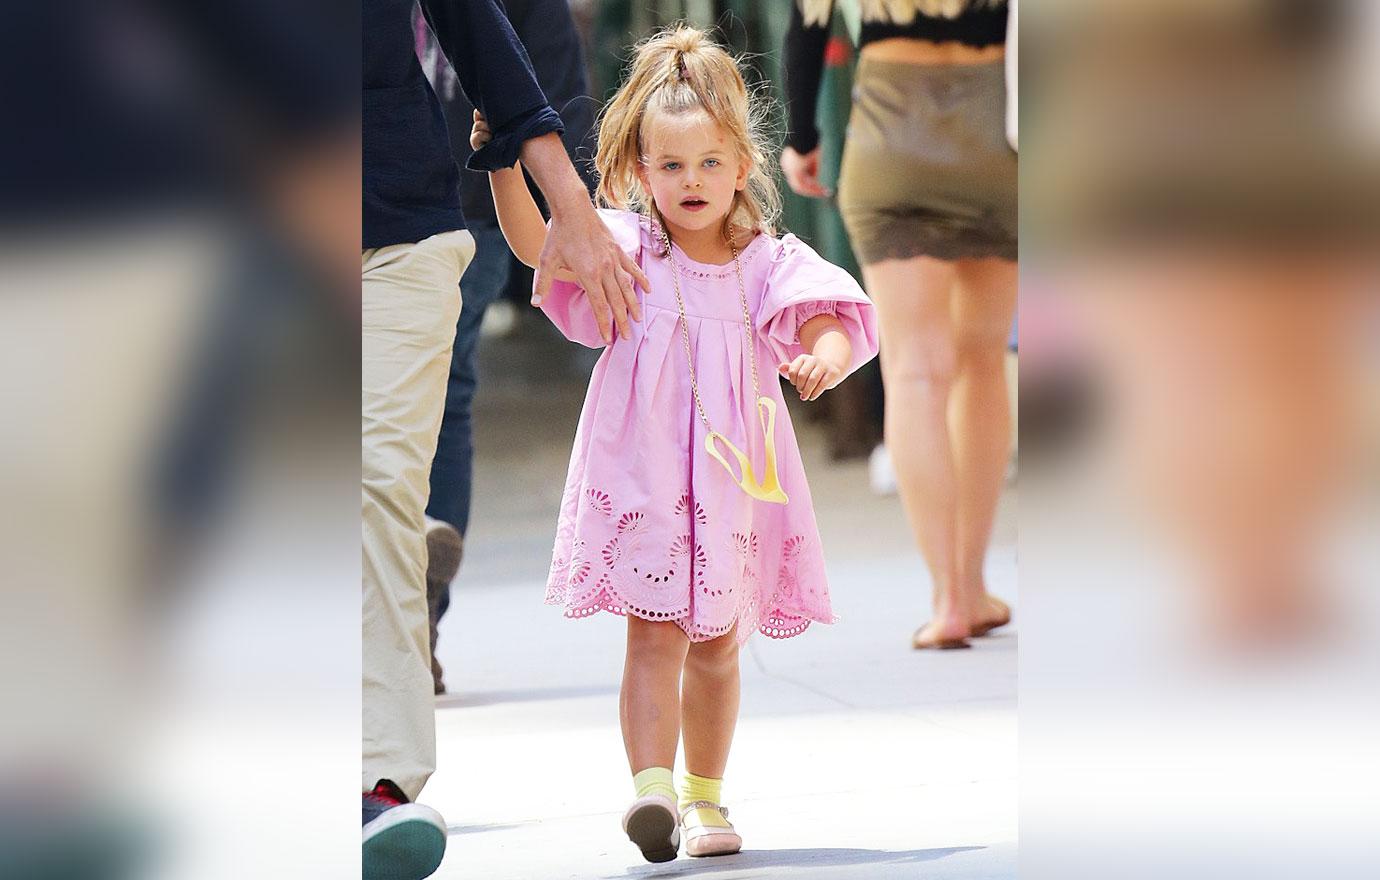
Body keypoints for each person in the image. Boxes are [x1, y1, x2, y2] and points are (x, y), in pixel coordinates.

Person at [472, 25, 879, 862]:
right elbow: (535, 249)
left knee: (721, 642)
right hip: (646, 472)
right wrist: (507, 163)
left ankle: (706, 798)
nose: (691, 183)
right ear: (637, 170)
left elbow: (834, 316)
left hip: (733, 480)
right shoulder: (624, 249)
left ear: (742, 166)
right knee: (654, 631)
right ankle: (652, 790)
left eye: (708, 164)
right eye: (670, 166)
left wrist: (820, 363)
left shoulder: (768, 262)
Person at [362, 2, 648, 878]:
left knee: (374, 485)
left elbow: (480, 29)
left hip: (396, 230)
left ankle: (378, 783)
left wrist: (571, 204)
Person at [782, 0, 1017, 650]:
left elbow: (805, 33)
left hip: (889, 134)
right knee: (981, 360)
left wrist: (802, 139)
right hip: (997, 130)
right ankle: (972, 584)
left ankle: (945, 601)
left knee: (915, 370)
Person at [416, 0, 596, 696]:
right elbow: (561, 90)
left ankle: (395, 572)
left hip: (425, 202)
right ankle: (415, 606)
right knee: (446, 389)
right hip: (468, 209)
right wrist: (575, 212)